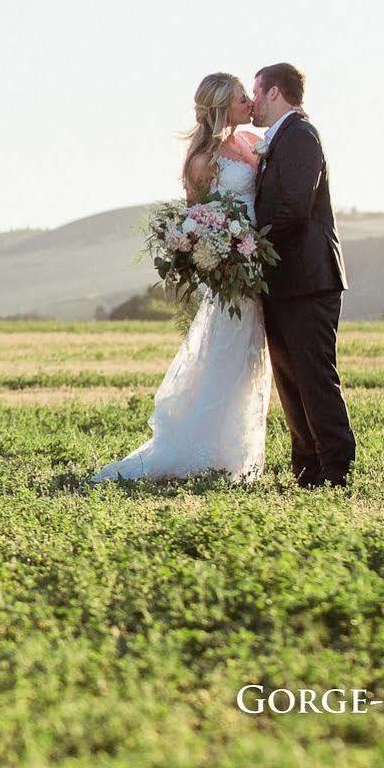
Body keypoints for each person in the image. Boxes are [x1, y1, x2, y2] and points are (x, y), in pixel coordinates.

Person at [91, 73, 270, 484]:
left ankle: (235, 455)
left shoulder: (247, 143)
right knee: (228, 356)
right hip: (231, 272)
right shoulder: (203, 159)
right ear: (225, 105)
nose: (250, 103)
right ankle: (205, 452)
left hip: (255, 263)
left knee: (249, 362)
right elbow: (196, 218)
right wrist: (221, 255)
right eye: (243, 98)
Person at [249, 62, 354, 487]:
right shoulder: (279, 140)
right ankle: (308, 468)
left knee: (314, 375)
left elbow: (293, 206)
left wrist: (247, 239)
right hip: (286, 281)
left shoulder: (301, 136)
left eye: (256, 93)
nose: (252, 103)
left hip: (310, 280)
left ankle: (336, 466)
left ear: (275, 92)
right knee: (290, 378)